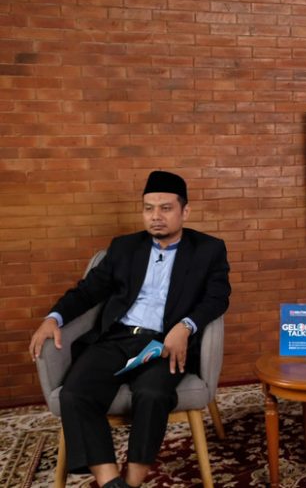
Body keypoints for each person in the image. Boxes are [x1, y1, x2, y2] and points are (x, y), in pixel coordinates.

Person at [29, 171, 231, 488]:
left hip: (165, 344)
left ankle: (132, 481)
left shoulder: (208, 250)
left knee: (152, 394)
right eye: (149, 208)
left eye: (165, 208)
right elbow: (88, 291)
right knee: (76, 393)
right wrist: (53, 318)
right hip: (117, 338)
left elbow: (218, 297)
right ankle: (112, 482)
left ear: (185, 212)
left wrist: (186, 326)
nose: (156, 216)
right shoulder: (124, 248)